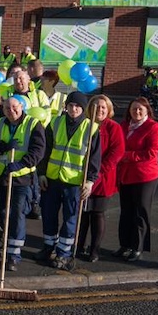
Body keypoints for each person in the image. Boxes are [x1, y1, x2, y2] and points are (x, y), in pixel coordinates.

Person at [37, 92, 101, 269]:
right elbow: (45, 150)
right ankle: (48, 247)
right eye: (71, 105)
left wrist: (89, 181)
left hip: (74, 182)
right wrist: (41, 173)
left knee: (70, 218)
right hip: (52, 178)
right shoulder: (55, 123)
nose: (74, 109)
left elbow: (94, 158)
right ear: (66, 106)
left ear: (83, 109)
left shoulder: (91, 128)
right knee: (49, 215)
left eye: (77, 106)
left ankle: (63, 254)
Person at [0, 96, 46, 270]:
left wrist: (20, 164)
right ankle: (5, 246)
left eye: (14, 107)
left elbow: (38, 151)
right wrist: (3, 146)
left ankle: (14, 254)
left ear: (21, 106)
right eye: (6, 108)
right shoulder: (0, 123)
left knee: (17, 214)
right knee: (3, 213)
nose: (11, 111)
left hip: (21, 178)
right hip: (1, 175)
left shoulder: (33, 124)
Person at [77, 95, 125, 263]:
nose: (100, 109)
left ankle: (94, 250)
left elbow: (116, 153)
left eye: (103, 107)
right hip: (82, 176)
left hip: (103, 179)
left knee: (97, 214)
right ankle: (79, 245)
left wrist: (97, 173)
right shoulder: (85, 125)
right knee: (83, 215)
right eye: (96, 106)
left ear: (108, 109)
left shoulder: (113, 127)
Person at [115, 97, 158, 262]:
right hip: (126, 175)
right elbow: (117, 145)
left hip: (145, 176)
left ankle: (138, 247)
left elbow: (151, 152)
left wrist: (126, 156)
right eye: (134, 109)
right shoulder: (123, 126)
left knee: (140, 212)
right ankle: (125, 245)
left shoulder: (154, 127)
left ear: (147, 111)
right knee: (126, 211)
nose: (137, 112)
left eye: (140, 109)